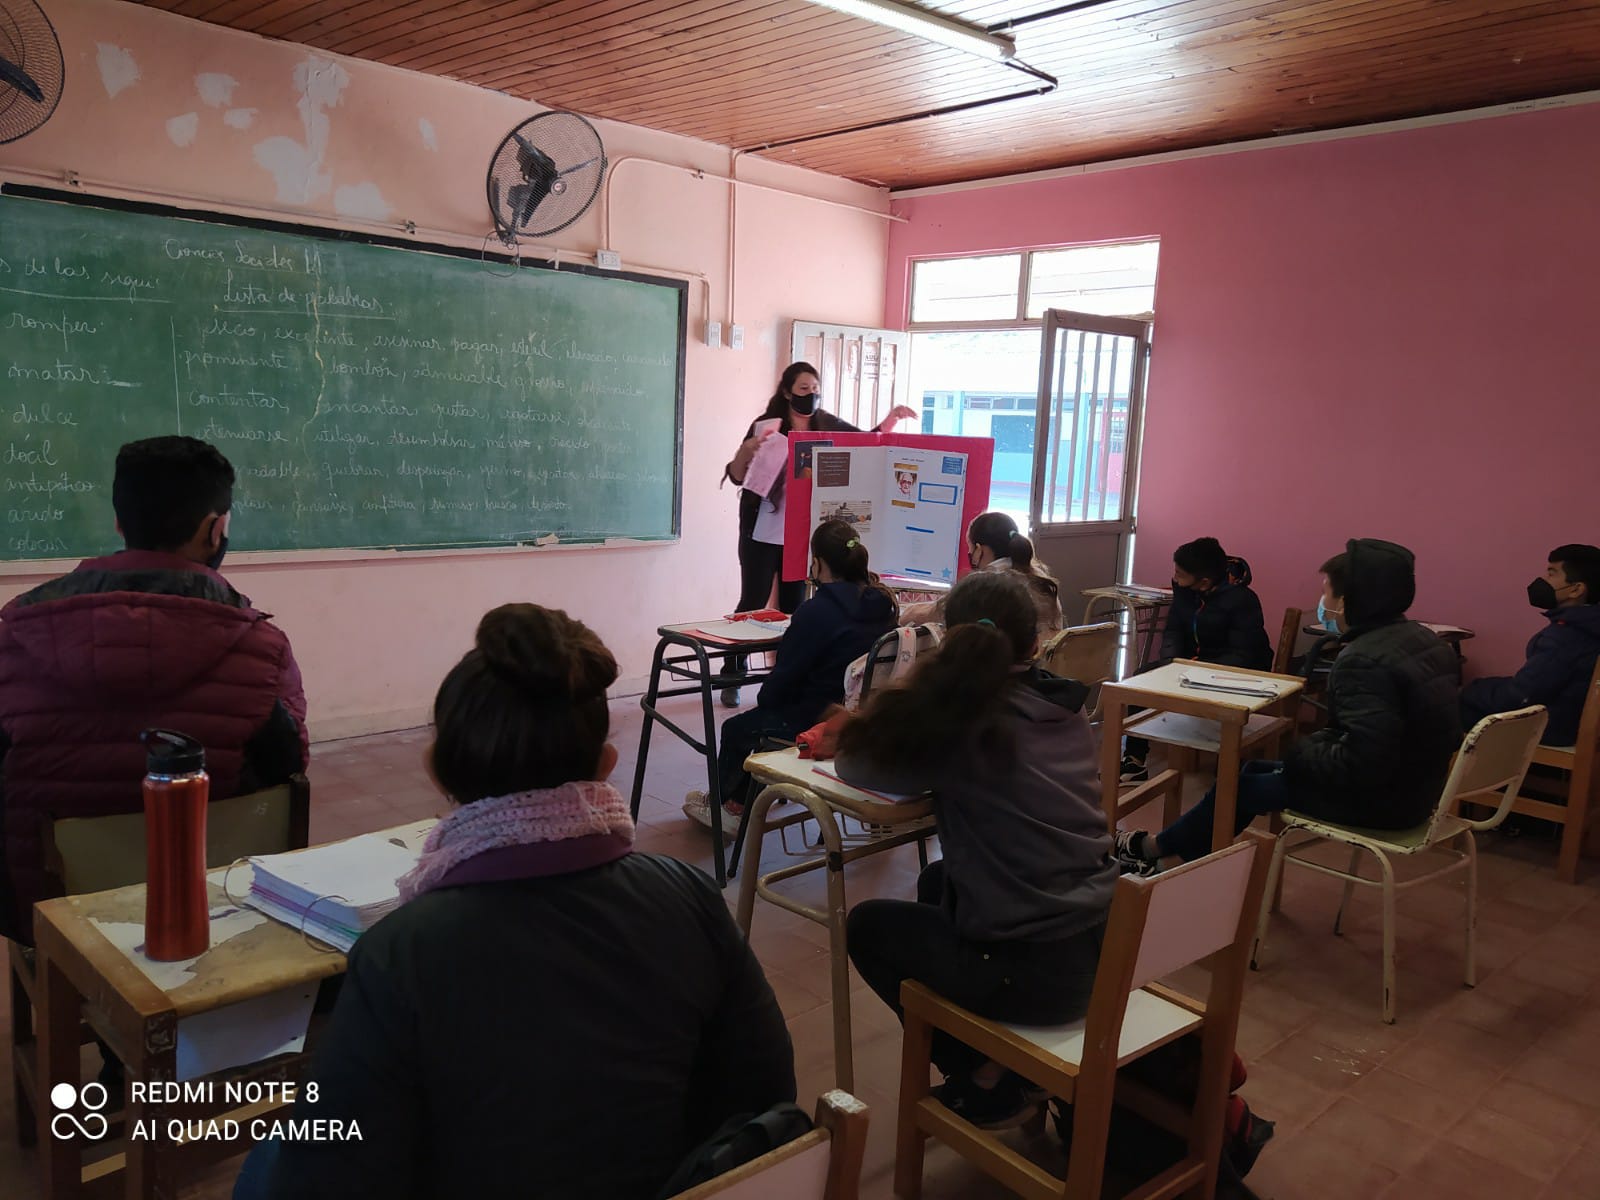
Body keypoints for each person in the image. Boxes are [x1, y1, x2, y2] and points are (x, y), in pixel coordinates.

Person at [235, 605, 795, 1200]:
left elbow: (320, 1175)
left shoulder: (400, 954)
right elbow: (764, 1103)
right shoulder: (689, 898)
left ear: (435, 768)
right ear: (606, 766)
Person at [0, 436, 307, 945]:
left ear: (121, 524)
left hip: (54, 920)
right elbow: (289, 770)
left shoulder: (14, 637)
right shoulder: (262, 648)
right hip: (217, 906)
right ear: (216, 530)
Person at [839, 570, 1113, 1128]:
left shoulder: (962, 724)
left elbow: (857, 764)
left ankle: (992, 1079)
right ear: (1037, 644)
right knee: (937, 882)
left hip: (1036, 975)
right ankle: (1003, 1070)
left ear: (949, 640)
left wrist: (922, 687)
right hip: (1101, 946)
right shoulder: (1069, 709)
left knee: (867, 926)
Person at [1118, 539, 1460, 868]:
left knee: (1247, 785)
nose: (1322, 600)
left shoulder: (1362, 660)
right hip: (1418, 789)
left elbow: (1361, 759)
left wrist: (1298, 750)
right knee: (1248, 772)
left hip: (1383, 801)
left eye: (1327, 590)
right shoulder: (1422, 639)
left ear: (1352, 600)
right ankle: (1165, 855)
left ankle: (1162, 854)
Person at [684, 520, 897, 839]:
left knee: (738, 728)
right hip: (858, 715)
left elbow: (782, 682)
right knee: (760, 721)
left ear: (818, 563)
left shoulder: (816, 611)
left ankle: (726, 807)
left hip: (813, 718)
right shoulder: (885, 604)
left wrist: (766, 699)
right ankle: (738, 801)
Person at [719, 361, 916, 705]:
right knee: (753, 601)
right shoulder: (768, 426)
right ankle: (732, 673)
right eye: (803, 389)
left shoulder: (826, 424)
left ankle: (787, 672)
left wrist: (892, 419)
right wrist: (746, 451)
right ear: (786, 392)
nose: (811, 395)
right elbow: (737, 475)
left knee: (797, 607)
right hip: (762, 530)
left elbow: (866, 440)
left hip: (800, 531)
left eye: (815, 388)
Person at [1120, 536, 1272, 783]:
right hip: (1190, 665)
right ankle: (1135, 762)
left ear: (1204, 581)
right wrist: (1171, 664)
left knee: (1226, 709)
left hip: (1236, 671)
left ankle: (1231, 771)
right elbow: (1173, 631)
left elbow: (1244, 654)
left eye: (1180, 573)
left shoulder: (1243, 600)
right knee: (1141, 680)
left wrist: (1197, 673)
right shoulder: (1185, 592)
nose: (1175, 578)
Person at [1460, 544, 1600, 746]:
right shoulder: (1589, 625)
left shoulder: (1566, 636)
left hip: (1553, 726)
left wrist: (1470, 690)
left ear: (1576, 589)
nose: (1543, 580)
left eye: (1552, 574)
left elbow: (1521, 696)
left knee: (1449, 710)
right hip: (1570, 719)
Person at [900, 511, 1064, 644]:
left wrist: (905, 611)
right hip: (1042, 672)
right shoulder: (1043, 582)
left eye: (970, 547)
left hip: (998, 675)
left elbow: (921, 616)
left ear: (979, 550)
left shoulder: (983, 586)